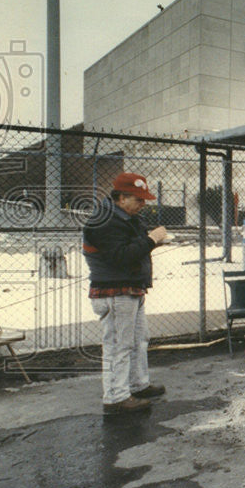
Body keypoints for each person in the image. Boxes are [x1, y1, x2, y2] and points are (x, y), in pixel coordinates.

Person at [83, 172, 168, 416]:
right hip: (114, 290)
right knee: (119, 345)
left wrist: (151, 241)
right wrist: (151, 239)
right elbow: (119, 257)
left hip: (129, 288)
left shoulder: (125, 218)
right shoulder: (105, 221)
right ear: (121, 198)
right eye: (138, 200)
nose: (143, 205)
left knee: (139, 339)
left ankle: (137, 385)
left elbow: (131, 246)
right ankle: (116, 397)